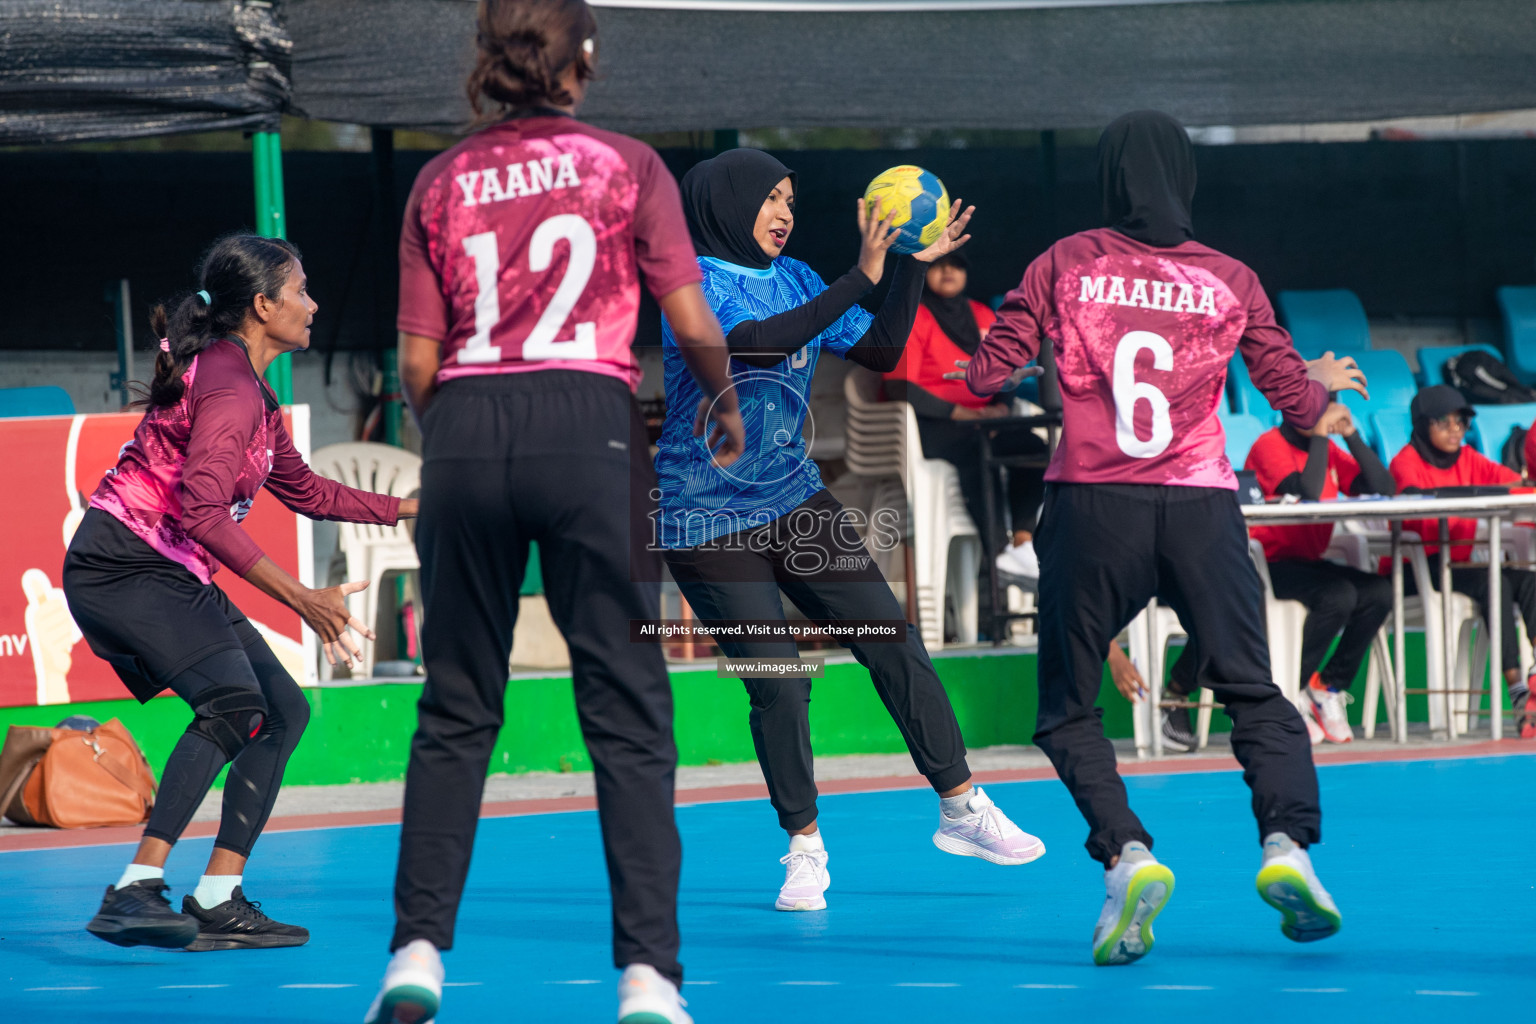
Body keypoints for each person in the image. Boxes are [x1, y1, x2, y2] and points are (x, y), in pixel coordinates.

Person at [365, 4, 744, 1024]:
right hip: (592, 420)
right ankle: (649, 980)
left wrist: (455, 444)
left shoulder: (439, 181)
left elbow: (414, 361)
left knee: (456, 707)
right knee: (626, 706)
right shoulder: (627, 166)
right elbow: (691, 318)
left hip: (467, 420)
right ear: (582, 61)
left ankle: (415, 956)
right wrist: (722, 398)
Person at [955, 110, 1368, 965]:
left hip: (1094, 507)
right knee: (1253, 692)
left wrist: (1005, 317)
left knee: (1068, 708)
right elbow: (1298, 402)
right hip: (1199, 509)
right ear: (1185, 178)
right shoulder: (1230, 278)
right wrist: (1316, 378)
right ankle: (1287, 847)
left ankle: (1128, 855)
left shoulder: (1063, 264)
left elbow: (986, 375)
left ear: (1108, 178)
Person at [655, 146, 1045, 918]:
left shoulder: (799, 274)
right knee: (778, 681)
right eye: (771, 200)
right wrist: (861, 276)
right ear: (729, 203)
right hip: (704, 513)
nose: (784, 215)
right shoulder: (691, 284)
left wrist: (905, 264)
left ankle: (962, 807)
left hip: (794, 499)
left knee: (894, 640)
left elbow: (879, 349)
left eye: (792, 203)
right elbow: (754, 345)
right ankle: (803, 848)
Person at [66, 233, 413, 953]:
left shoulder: (254, 393)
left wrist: (420, 504)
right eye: (301, 291)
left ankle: (219, 894)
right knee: (232, 704)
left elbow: (309, 491)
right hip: (123, 565)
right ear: (263, 305)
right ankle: (134, 889)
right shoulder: (225, 385)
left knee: (282, 711)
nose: (313, 305)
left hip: (166, 568)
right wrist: (303, 598)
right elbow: (200, 510)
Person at [882, 250, 1050, 582]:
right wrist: (954, 411)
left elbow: (1005, 369)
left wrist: (1001, 407)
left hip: (984, 421)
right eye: (939, 265)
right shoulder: (913, 315)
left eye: (957, 265)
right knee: (979, 453)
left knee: (1031, 446)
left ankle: (1021, 542)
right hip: (934, 426)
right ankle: (997, 556)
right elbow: (897, 386)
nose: (948, 272)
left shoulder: (982, 313)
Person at [1390, 385, 1536, 739]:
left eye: (1462, 422)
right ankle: (1517, 691)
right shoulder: (1405, 461)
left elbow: (1515, 484)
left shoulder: (1469, 458)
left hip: (1460, 566)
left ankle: (1534, 678)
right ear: (1423, 425)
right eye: (1445, 421)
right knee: (1494, 582)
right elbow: (1417, 507)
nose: (1456, 429)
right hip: (1416, 570)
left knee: (1529, 580)